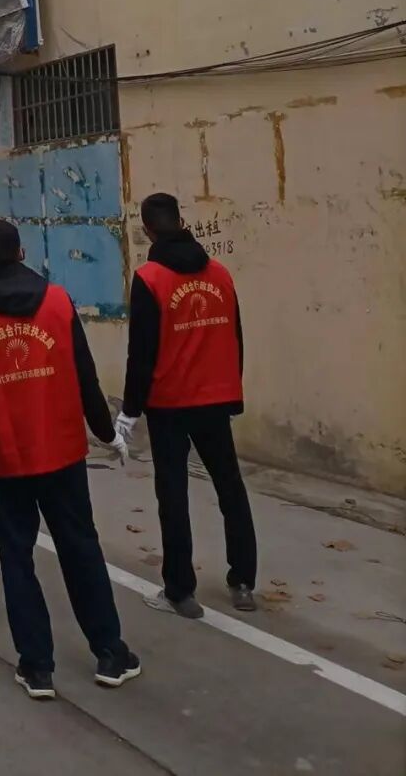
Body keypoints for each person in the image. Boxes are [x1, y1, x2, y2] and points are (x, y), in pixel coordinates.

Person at [0, 218, 140, 699]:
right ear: (21, 251)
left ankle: (36, 667)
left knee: (17, 559)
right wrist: (107, 433)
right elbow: (85, 375)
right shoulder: (57, 302)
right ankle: (110, 653)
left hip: (6, 457)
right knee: (81, 548)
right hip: (62, 451)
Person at [117, 193, 257, 617]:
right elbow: (235, 337)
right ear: (181, 221)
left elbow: (141, 354)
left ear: (147, 230)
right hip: (215, 397)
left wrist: (130, 411)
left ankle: (180, 591)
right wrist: (232, 392)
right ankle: (243, 581)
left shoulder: (150, 279)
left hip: (170, 403)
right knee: (230, 487)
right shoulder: (220, 274)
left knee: (173, 494)